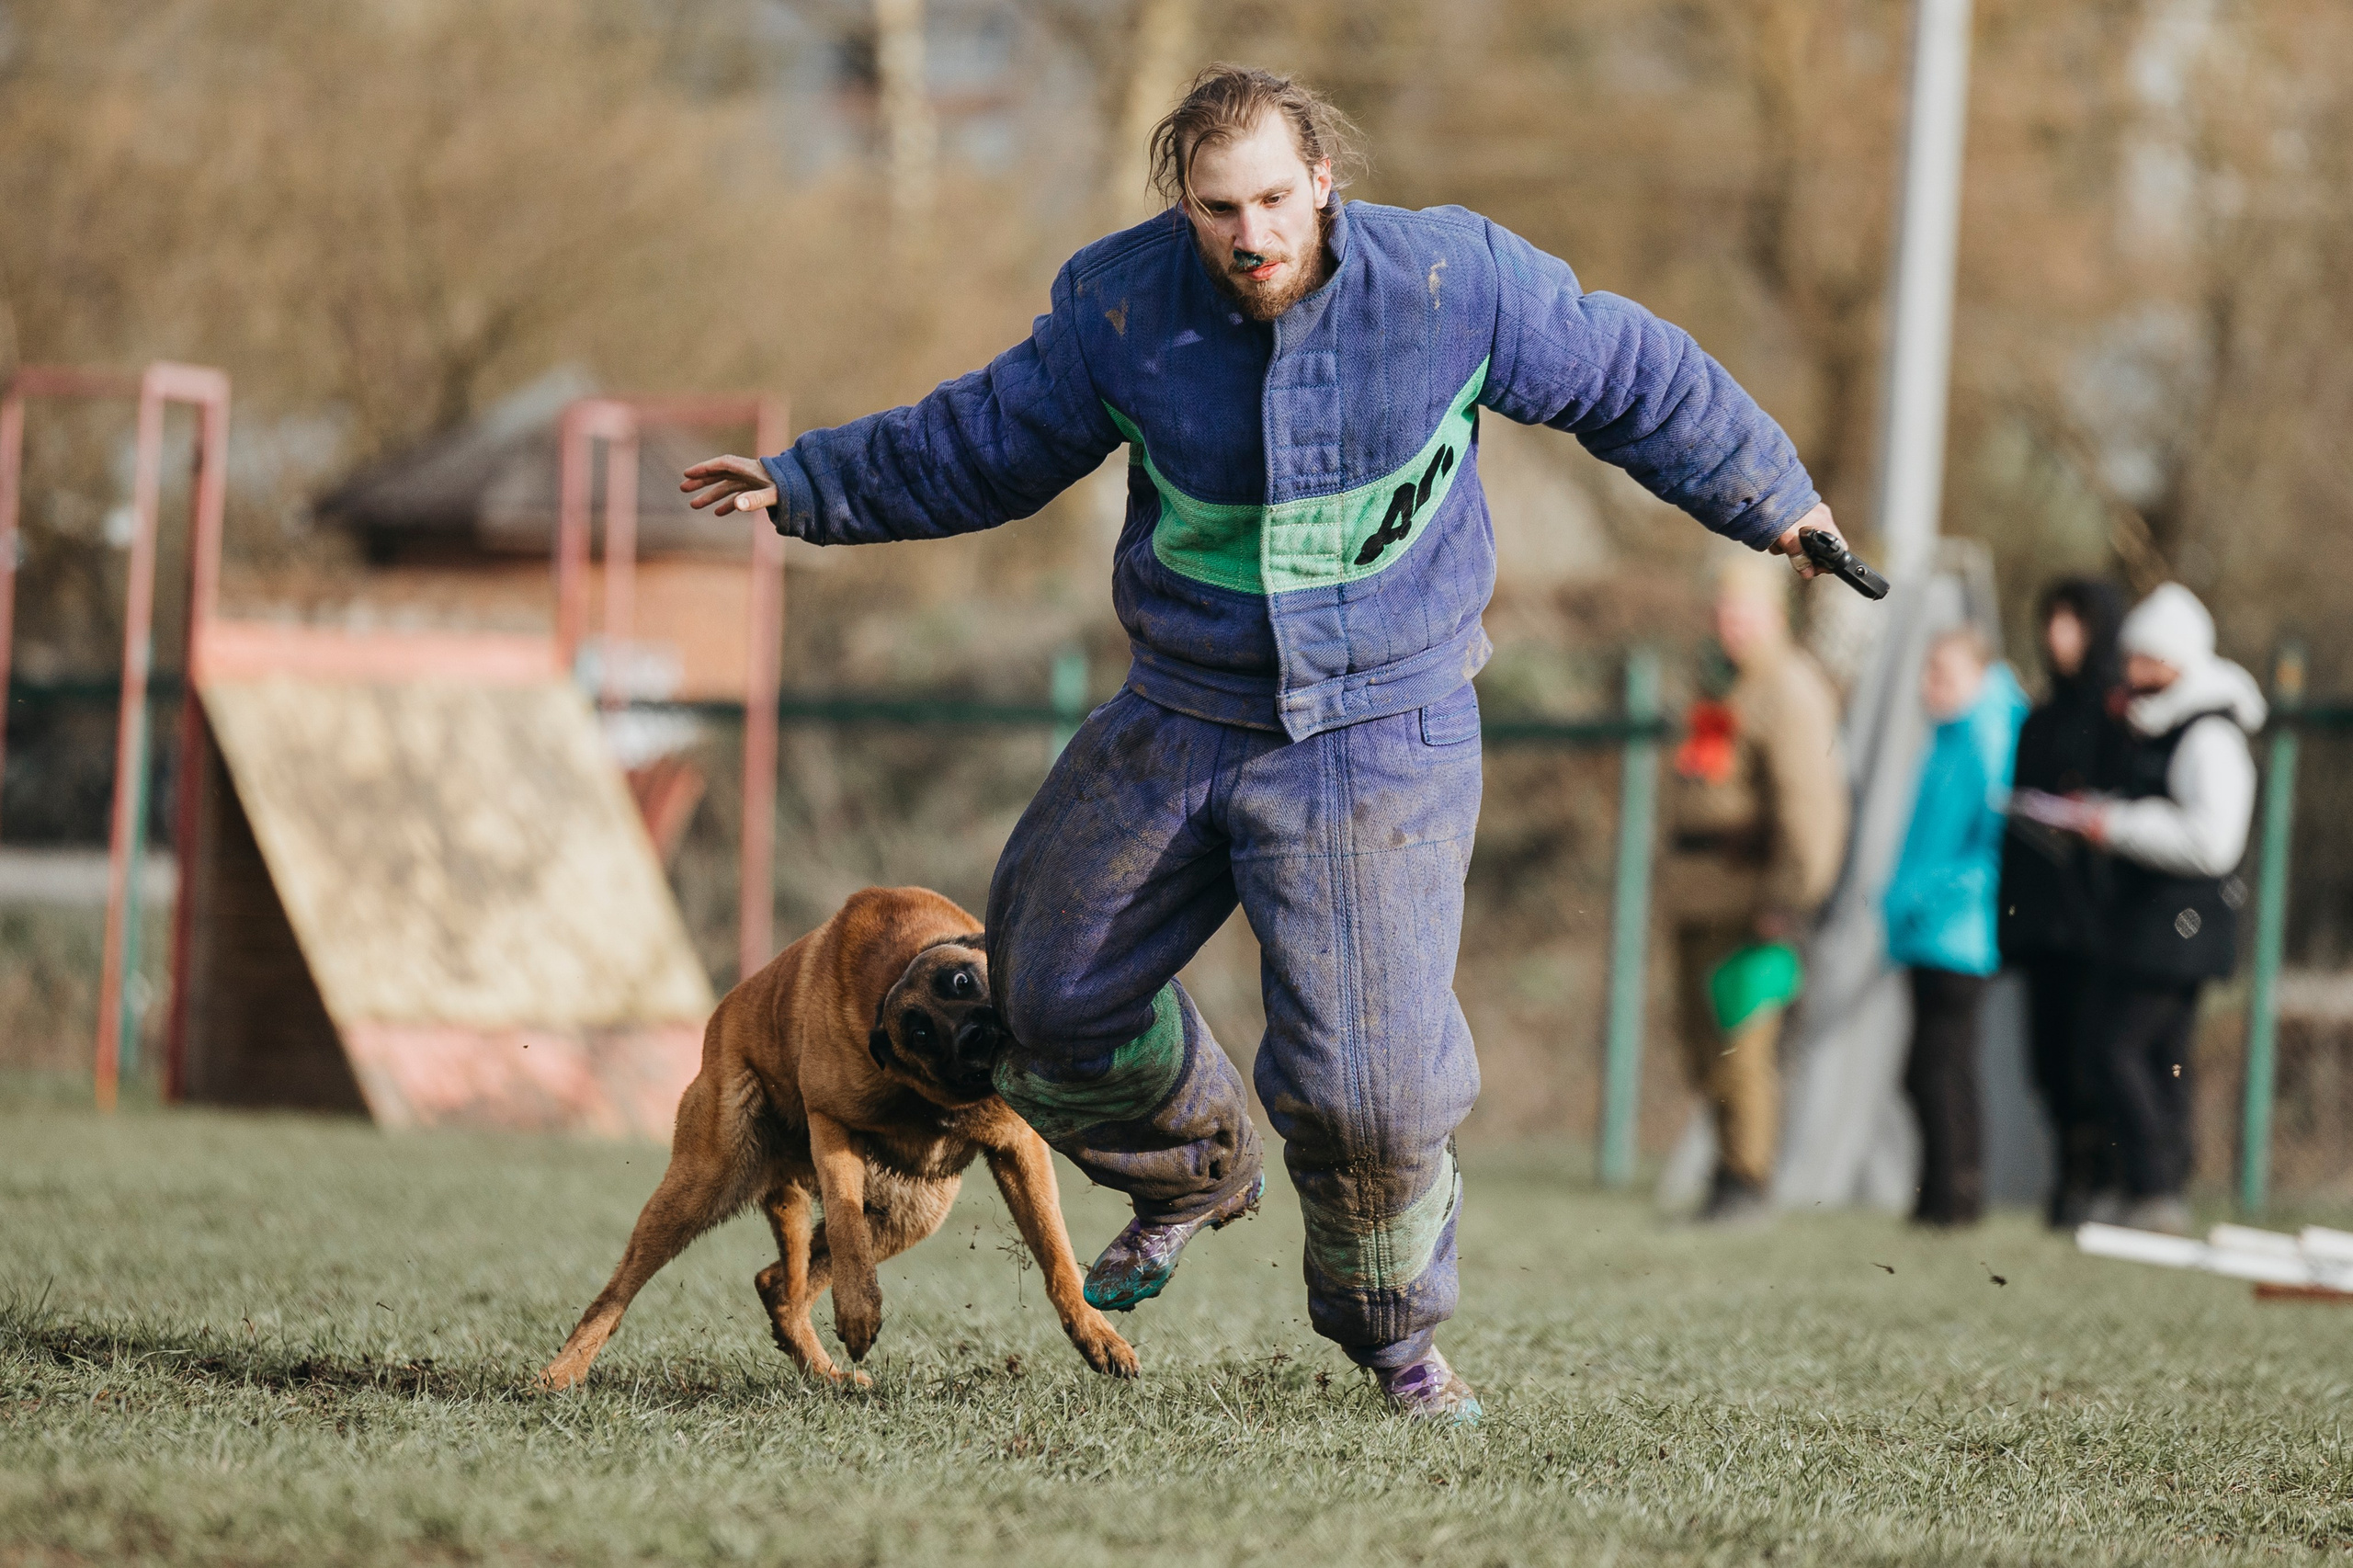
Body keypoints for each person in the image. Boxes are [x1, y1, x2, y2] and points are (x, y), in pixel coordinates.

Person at [679, 65, 1854, 1420]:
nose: (1252, 236)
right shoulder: (1121, 309)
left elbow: (1633, 373)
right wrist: (810, 481)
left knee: (1371, 1092)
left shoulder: (1454, 285)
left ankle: (1398, 1342)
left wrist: (1774, 496)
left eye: (1276, 201)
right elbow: (985, 438)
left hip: (1382, 722)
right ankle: (1194, 1166)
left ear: (1325, 181)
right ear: (1183, 204)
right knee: (1041, 999)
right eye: (1219, 208)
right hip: (1184, 707)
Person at [2012, 583, 2263, 1235]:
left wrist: (2113, 825)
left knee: (2114, 1047)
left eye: (2144, 660)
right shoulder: (2161, 724)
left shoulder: (2208, 734)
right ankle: (2156, 1187)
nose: (2129, 672)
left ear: (2175, 661)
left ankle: (2154, 1185)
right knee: (2159, 1056)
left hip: (2179, 924)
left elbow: (2213, 840)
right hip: (2154, 922)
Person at [1661, 553, 1848, 1224]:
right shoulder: (1720, 686)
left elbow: (1811, 808)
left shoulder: (1788, 689)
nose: (1728, 621)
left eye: (1743, 609)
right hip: (1698, 897)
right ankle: (1723, 1172)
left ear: (1775, 614)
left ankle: (1747, 1179)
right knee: (1702, 1046)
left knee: (1744, 1045)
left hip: (1753, 902)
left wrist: (1788, 898)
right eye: (1722, 608)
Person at [1883, 627, 2027, 1227]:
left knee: (1938, 1069)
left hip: (1960, 934)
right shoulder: (1949, 738)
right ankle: (1940, 1196)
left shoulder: (1987, 738)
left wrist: (1925, 896)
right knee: (1933, 1070)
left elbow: (1994, 848)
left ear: (1979, 675)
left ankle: (1955, 1198)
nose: (1928, 685)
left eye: (1942, 671)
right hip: (1929, 930)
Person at [1998, 579, 2130, 1226]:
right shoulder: (2038, 720)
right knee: (2047, 1064)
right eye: (2051, 621)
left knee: (2090, 1063)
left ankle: (2099, 1182)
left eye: (2072, 622)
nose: (2057, 636)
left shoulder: (2118, 719)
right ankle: (2066, 1180)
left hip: (2097, 923)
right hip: (2042, 921)